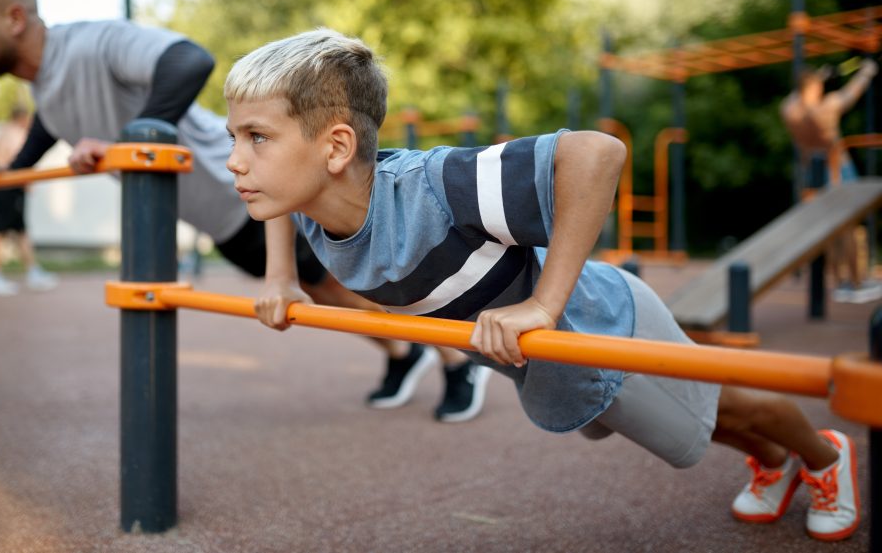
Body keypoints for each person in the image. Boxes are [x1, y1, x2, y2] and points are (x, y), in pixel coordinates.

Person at [224, 28, 860, 542]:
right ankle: (775, 463)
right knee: (700, 425)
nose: (234, 161)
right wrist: (282, 278)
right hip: (543, 362)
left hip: (601, 323)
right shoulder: (309, 198)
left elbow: (597, 154)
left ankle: (826, 456)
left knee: (725, 405)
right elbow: (281, 207)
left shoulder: (438, 188)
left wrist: (543, 304)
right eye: (235, 137)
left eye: (257, 138)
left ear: (336, 147)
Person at [0, 0, 489, 421]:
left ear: (14, 19)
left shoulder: (95, 41)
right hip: (217, 214)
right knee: (322, 293)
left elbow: (189, 61)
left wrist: (129, 139)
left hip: (249, 190)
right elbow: (51, 123)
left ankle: (455, 359)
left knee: (355, 282)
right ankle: (402, 352)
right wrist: (5, 169)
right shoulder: (46, 84)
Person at [781, 57, 880, 303]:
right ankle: (856, 283)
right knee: (850, 229)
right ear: (814, 87)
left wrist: (818, 79)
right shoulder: (826, 108)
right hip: (838, 170)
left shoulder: (791, 111)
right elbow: (851, 93)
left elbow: (794, 98)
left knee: (830, 232)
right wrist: (866, 73)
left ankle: (839, 282)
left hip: (811, 173)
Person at [0, 104, 58, 295]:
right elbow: (19, 162)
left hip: (4, 186)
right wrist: (27, 183)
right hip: (9, 186)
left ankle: (32, 271)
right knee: (1, 231)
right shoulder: (14, 133)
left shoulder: (3, 132)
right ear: (21, 118)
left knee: (20, 231)